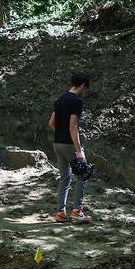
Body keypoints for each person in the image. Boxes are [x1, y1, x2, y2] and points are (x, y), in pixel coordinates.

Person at [49, 72, 92, 221]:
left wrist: (60, 135)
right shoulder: (76, 102)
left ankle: (60, 212)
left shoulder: (60, 100)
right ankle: (77, 211)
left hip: (57, 144)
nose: (84, 91)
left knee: (64, 178)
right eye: (85, 89)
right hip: (69, 145)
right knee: (83, 175)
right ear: (82, 85)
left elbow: (51, 123)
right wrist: (78, 150)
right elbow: (73, 127)